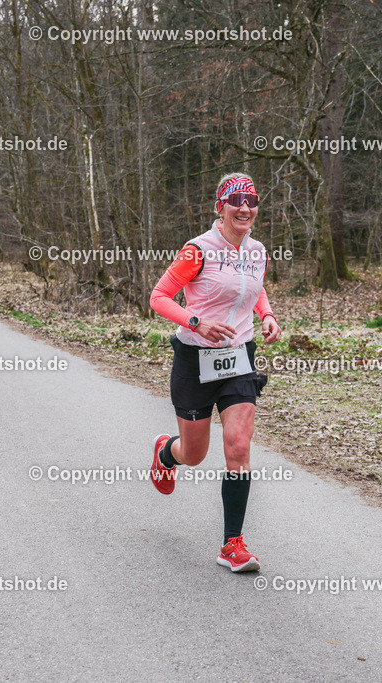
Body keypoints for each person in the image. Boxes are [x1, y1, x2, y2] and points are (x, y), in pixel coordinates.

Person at [148, 173, 281, 573]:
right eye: (236, 199)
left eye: (252, 200)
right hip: (195, 359)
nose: (245, 207)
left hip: (239, 356)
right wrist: (196, 322)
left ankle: (232, 544)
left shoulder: (257, 251)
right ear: (219, 207)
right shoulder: (198, 250)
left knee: (239, 446)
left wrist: (268, 315)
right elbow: (158, 297)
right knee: (195, 453)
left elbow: (253, 287)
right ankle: (165, 453)